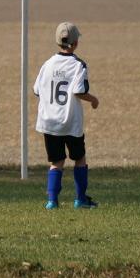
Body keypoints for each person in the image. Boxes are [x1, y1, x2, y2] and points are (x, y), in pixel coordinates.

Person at [34, 22, 99, 209]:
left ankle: (52, 201)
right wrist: (93, 99)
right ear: (76, 42)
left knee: (57, 161)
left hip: (49, 122)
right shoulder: (78, 65)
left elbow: (37, 90)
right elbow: (79, 90)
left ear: (57, 42)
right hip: (70, 121)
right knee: (79, 158)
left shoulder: (47, 64)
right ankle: (80, 199)